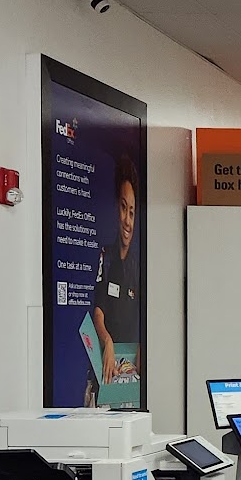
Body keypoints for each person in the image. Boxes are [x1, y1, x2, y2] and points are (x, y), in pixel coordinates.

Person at [92, 154, 141, 389]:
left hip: (132, 368)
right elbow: (98, 313)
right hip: (107, 365)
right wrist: (107, 342)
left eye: (132, 212)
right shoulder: (106, 257)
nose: (127, 221)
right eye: (123, 208)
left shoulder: (139, 266)